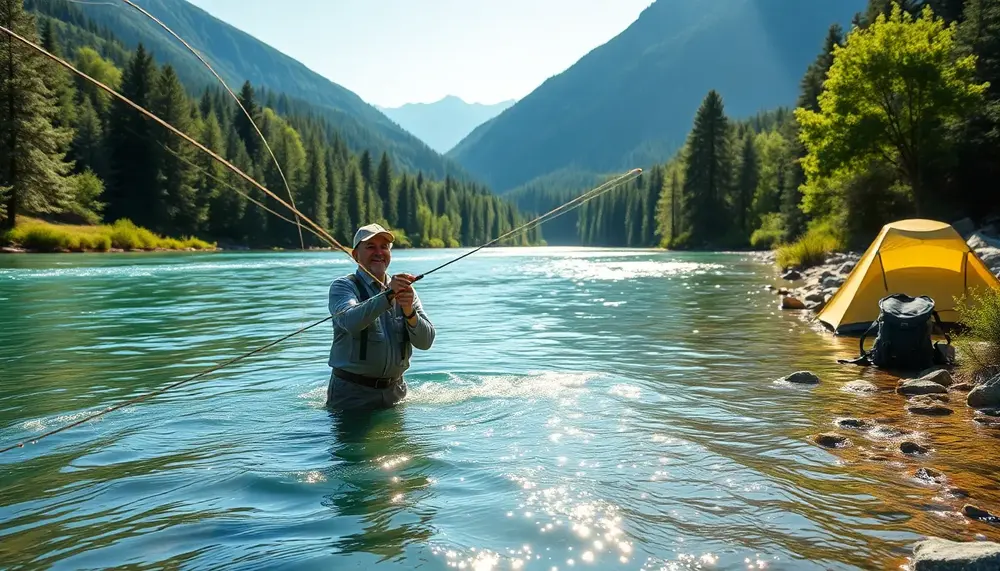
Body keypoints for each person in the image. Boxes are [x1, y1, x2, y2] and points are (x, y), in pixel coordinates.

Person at [325, 223, 435, 410]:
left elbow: (426, 342)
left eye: (384, 247)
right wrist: (389, 295)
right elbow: (350, 320)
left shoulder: (407, 291)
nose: (379, 252)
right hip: (351, 396)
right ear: (355, 255)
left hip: (396, 394)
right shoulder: (343, 287)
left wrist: (409, 311)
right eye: (370, 247)